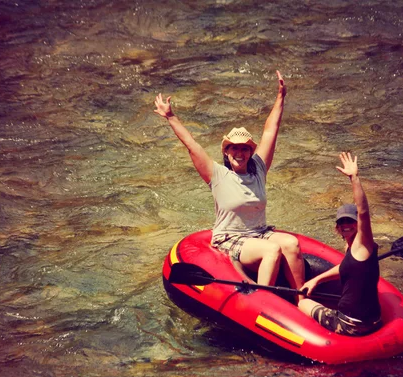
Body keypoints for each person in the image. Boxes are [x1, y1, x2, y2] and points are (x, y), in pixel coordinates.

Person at [153, 71, 304, 292]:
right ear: (227, 151)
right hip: (230, 238)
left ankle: (301, 300)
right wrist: (171, 117)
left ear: (250, 152)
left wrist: (281, 96)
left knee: (291, 244)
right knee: (272, 251)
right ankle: (263, 302)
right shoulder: (217, 175)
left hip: (259, 233)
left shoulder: (259, 169)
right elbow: (192, 145)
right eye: (234, 148)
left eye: (244, 148)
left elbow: (271, 130)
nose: (240, 153)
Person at [298, 152, 382, 336]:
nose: (345, 225)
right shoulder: (353, 249)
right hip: (373, 320)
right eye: (341, 222)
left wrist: (354, 178)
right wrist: (316, 279)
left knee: (302, 302)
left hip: (350, 325)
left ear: (358, 224)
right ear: (337, 228)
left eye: (350, 221)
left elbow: (364, 212)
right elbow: (345, 268)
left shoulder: (363, 243)